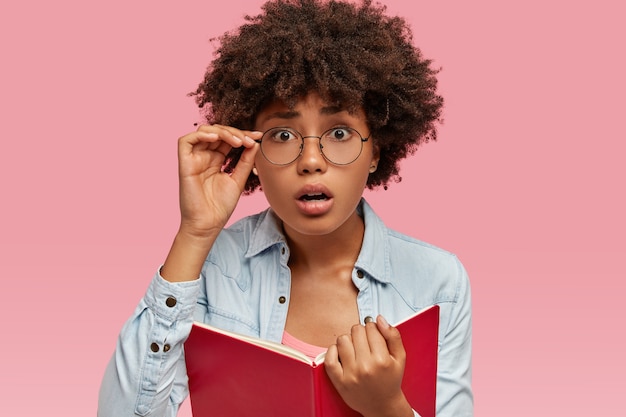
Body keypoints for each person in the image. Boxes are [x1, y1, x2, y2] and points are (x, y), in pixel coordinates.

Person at [97, 0, 473, 416]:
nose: (311, 160)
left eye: (340, 132)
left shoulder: (437, 283)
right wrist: (195, 235)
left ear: (375, 151)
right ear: (252, 152)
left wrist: (387, 407)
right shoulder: (212, 267)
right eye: (282, 135)